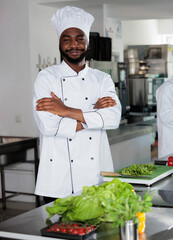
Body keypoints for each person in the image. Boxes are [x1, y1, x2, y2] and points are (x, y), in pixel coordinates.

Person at [33, 6, 121, 203]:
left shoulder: (102, 79)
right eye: (67, 39)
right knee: (59, 231)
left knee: (98, 231)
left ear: (87, 42)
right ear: (59, 43)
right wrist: (94, 115)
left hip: (96, 174)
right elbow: (48, 126)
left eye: (80, 38)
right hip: (58, 178)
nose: (74, 45)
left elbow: (113, 119)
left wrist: (66, 111)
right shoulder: (46, 78)